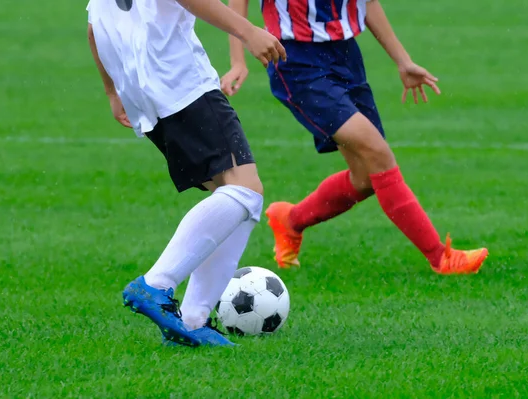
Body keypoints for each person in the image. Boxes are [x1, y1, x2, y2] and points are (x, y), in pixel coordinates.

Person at [221, 0, 488, 273]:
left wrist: (403, 60)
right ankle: (441, 258)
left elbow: (367, 3)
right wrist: (237, 61)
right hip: (296, 61)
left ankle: (290, 220)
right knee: (378, 154)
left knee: (365, 177)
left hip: (345, 55)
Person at [86, 0, 286, 347]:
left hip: (142, 88)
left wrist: (111, 89)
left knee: (233, 194)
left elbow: (94, 23)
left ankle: (193, 321)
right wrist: (248, 31)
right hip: (179, 81)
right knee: (244, 191)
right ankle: (157, 284)